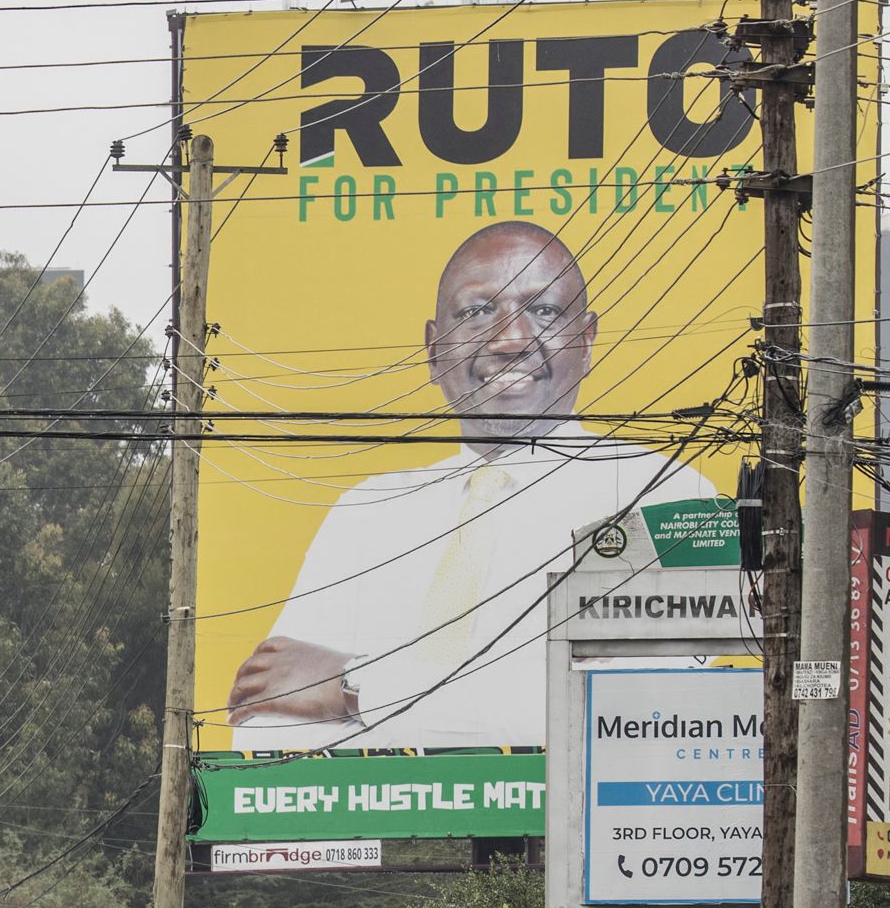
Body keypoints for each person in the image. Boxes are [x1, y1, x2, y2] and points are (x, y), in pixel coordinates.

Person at [227, 220, 724, 751]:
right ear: (433, 349)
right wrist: (521, 692)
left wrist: (354, 685)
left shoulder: (671, 499)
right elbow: (266, 727)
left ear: (587, 339)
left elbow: (632, 717)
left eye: (544, 311)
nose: (510, 340)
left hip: (579, 831)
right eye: (477, 312)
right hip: (388, 831)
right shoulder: (366, 512)